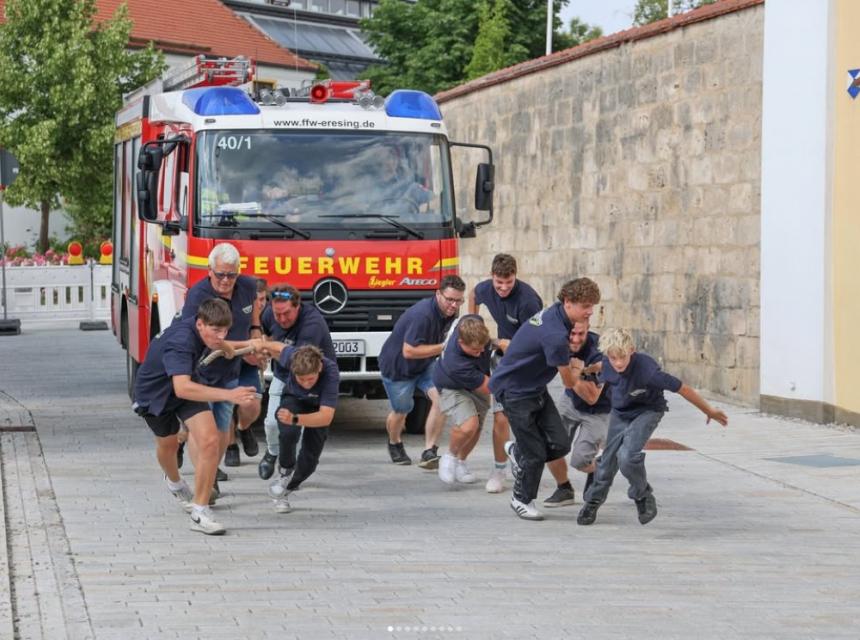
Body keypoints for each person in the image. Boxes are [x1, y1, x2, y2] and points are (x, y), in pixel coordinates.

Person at [132, 298, 261, 535]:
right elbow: (181, 388)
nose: (220, 335)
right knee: (168, 443)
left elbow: (217, 342)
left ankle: (200, 512)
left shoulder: (204, 327)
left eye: (225, 330)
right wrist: (229, 395)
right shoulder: (181, 341)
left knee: (210, 439)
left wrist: (233, 345)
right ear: (200, 324)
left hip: (188, 386)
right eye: (216, 330)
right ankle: (174, 483)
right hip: (156, 394)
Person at [577, 328, 729, 527]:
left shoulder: (648, 371)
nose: (619, 363)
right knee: (607, 462)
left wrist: (708, 410)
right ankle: (592, 502)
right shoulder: (607, 364)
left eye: (622, 357)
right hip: (620, 413)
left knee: (627, 456)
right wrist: (586, 371)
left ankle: (643, 496)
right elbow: (600, 366)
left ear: (631, 350)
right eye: (613, 358)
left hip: (647, 412)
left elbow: (683, 388)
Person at [489, 277, 601, 521]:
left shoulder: (557, 315)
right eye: (586, 305)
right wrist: (586, 370)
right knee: (536, 454)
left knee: (561, 444)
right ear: (568, 302)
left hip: (535, 388)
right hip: (514, 392)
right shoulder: (555, 334)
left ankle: (517, 451)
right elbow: (569, 382)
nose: (590, 310)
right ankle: (521, 499)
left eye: (592, 305)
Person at [179, 244, 263, 497]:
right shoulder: (197, 295)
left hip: (231, 370)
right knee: (201, 430)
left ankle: (210, 473)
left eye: (231, 275)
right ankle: (206, 482)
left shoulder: (247, 286)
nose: (226, 280)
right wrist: (248, 345)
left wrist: (256, 331)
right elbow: (194, 336)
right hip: (201, 371)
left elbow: (253, 306)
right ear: (209, 271)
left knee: (221, 428)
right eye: (220, 275)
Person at [468, 253, 543, 493]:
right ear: (492, 277)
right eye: (499, 282)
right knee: (500, 417)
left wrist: (501, 342)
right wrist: (474, 322)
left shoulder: (528, 300)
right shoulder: (486, 288)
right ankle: (499, 469)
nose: (503, 287)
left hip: (528, 362)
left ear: (515, 277)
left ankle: (526, 464)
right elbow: (473, 294)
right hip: (502, 360)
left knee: (527, 420)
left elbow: (531, 341)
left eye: (508, 282)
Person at [379, 275, 465, 467]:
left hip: (425, 364)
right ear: (438, 294)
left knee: (442, 399)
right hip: (398, 367)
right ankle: (394, 443)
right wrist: (444, 347)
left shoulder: (451, 313)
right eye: (449, 299)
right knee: (402, 410)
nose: (453, 305)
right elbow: (408, 351)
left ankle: (430, 451)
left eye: (458, 301)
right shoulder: (423, 315)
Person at [257, 283, 336, 480]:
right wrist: (265, 343)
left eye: (287, 314)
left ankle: (292, 469)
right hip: (284, 375)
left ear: (297, 306)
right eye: (277, 314)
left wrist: (269, 347)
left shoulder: (312, 325)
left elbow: (297, 362)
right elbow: (264, 330)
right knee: (272, 424)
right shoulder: (269, 312)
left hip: (308, 378)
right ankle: (272, 453)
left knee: (299, 428)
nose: (282, 319)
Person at [253, 343, 339, 513]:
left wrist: (296, 419)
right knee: (288, 432)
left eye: (311, 379)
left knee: (309, 462)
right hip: (294, 399)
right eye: (301, 379)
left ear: (319, 368)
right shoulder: (291, 356)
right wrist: (258, 347)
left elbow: (326, 417)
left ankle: (286, 488)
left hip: (317, 408)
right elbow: (270, 346)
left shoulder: (330, 372)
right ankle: (285, 471)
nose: (306, 384)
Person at [541, 319, 611, 508]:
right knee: (551, 445)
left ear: (589, 328)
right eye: (572, 334)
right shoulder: (557, 341)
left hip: (600, 410)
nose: (575, 339)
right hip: (570, 402)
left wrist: (571, 372)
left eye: (581, 334)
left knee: (580, 461)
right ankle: (564, 489)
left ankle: (600, 469)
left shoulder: (600, 351)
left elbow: (592, 397)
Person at [433, 315, 492, 485]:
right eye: (475, 350)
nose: (480, 352)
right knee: (469, 424)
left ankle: (461, 462)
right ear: (461, 343)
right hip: (451, 385)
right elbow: (489, 387)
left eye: (483, 347)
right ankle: (449, 457)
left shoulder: (472, 322)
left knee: (477, 427)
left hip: (477, 378)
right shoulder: (456, 363)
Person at [223, 278, 268, 467]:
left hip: (248, 367)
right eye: (256, 299)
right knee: (223, 409)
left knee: (252, 405)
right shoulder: (230, 312)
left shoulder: (268, 315)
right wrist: (243, 354)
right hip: (225, 362)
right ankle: (230, 446)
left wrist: (264, 356)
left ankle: (244, 427)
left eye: (264, 299)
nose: (260, 304)